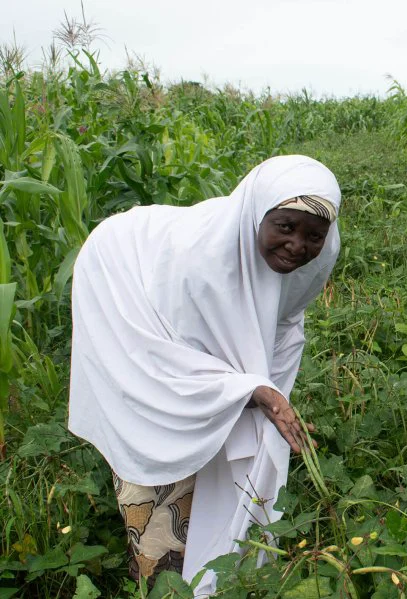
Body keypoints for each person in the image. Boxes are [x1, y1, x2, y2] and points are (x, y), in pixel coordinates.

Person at [68, 155, 341, 593]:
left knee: (231, 460)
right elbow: (168, 368)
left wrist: (264, 397)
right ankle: (159, 577)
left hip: (191, 345)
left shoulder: (316, 262)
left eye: (314, 236)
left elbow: (282, 331)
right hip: (129, 305)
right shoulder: (200, 262)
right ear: (256, 214)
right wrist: (259, 393)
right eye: (285, 227)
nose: (298, 246)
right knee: (158, 461)